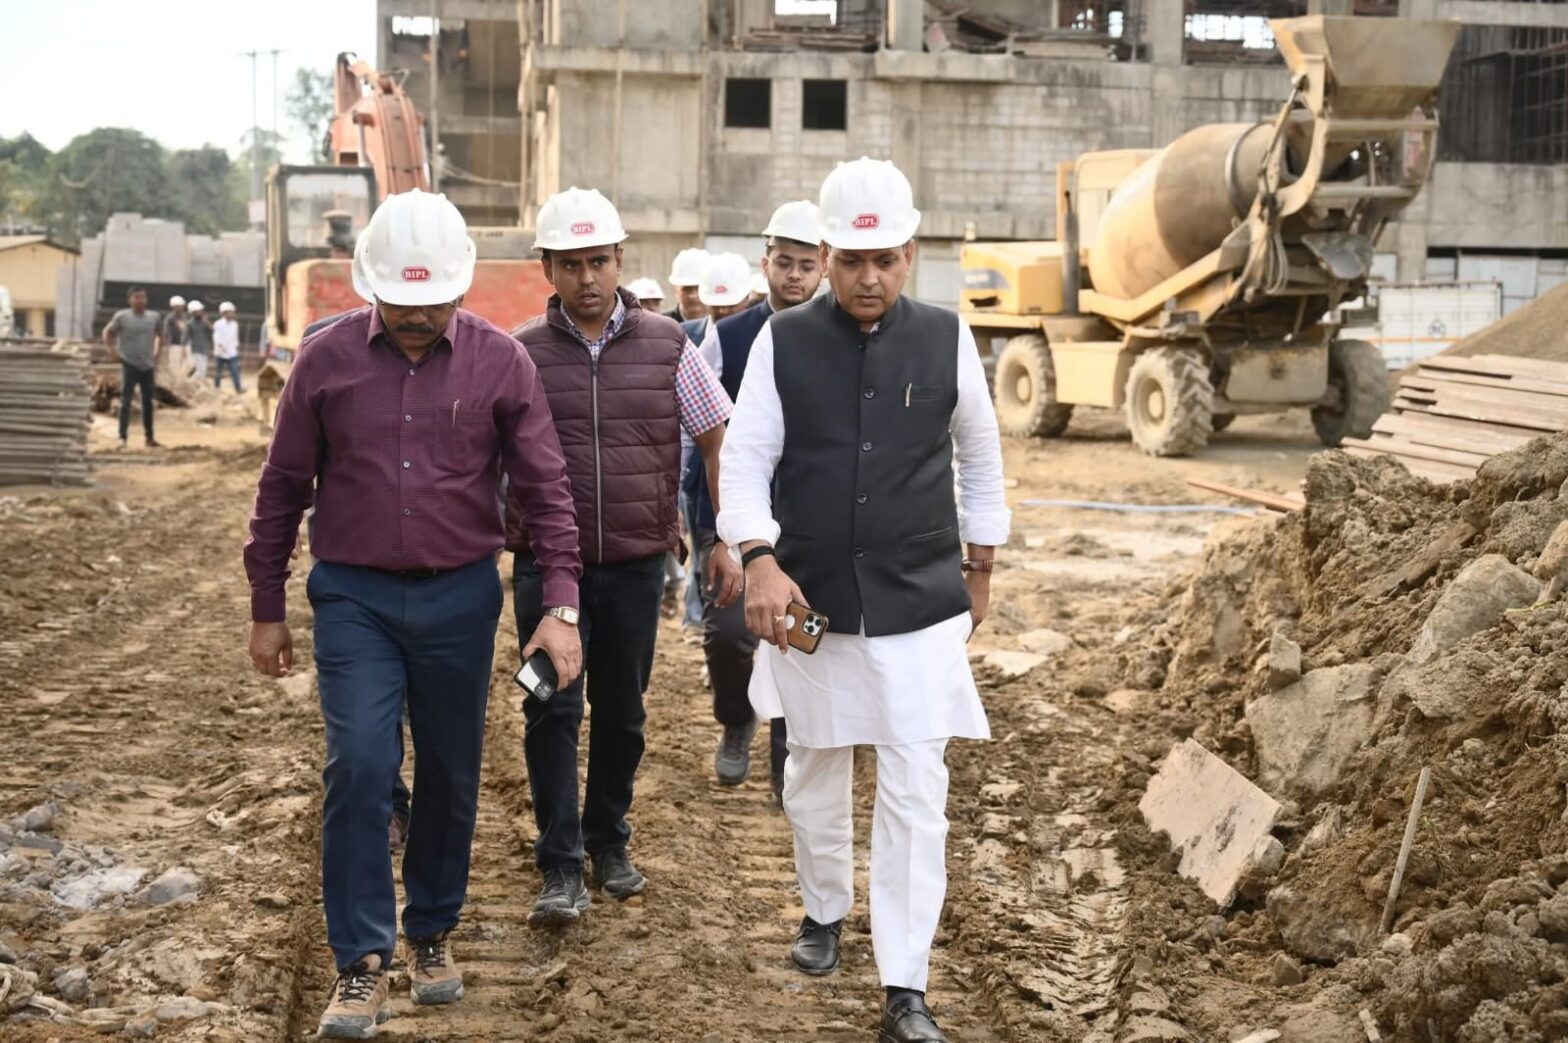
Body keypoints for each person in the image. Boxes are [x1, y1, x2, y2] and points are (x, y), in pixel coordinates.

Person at [243, 189, 584, 1040]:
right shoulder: (324, 362)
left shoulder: (502, 364)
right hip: (353, 596)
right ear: (372, 286)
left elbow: (546, 490)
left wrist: (562, 606)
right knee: (360, 763)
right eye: (401, 301)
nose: (417, 316)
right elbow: (282, 486)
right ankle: (361, 960)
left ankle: (430, 929)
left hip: (459, 595)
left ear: (461, 286)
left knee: (450, 768)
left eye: (432, 301)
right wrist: (266, 605)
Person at [717, 158, 1009, 1043]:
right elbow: (745, 460)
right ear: (828, 255)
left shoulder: (947, 337)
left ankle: (904, 985)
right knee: (814, 766)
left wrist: (981, 563)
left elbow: (980, 452)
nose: (870, 277)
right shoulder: (784, 341)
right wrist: (759, 558)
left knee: (917, 788)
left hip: (921, 600)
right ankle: (824, 907)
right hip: (811, 602)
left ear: (910, 253)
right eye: (852, 260)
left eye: (886, 259)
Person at [505, 186, 741, 928]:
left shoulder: (668, 346)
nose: (587, 278)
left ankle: (608, 840)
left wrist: (723, 536)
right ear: (548, 268)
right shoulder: (520, 353)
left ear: (619, 260)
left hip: (638, 565)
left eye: (599, 261)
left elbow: (718, 441)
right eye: (571, 264)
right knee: (550, 708)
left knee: (623, 714)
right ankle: (559, 860)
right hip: (547, 566)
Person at [687, 200, 822, 800]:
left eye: (806, 266)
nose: (794, 276)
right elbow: (706, 436)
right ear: (764, 262)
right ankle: (737, 719)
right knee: (728, 633)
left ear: (824, 267)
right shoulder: (731, 335)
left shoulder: (837, 338)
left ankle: (786, 764)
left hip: (806, 517)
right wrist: (716, 529)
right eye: (783, 262)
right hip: (734, 516)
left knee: (802, 634)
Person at [676, 251, 754, 629]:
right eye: (716, 305)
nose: (722, 312)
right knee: (705, 548)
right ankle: (699, 616)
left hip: (745, 467)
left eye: (730, 305)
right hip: (700, 473)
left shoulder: (758, 336)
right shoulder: (687, 337)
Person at [103, 286, 163, 450]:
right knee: (125, 402)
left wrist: (157, 353)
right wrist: (112, 351)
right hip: (129, 364)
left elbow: (161, 335)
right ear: (130, 300)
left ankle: (149, 438)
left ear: (146, 299)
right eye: (136, 297)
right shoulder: (122, 317)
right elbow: (107, 333)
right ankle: (122, 438)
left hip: (148, 365)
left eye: (142, 297)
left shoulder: (154, 317)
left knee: (148, 402)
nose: (140, 300)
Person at [666, 247, 709, 322]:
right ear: (676, 290)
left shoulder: (723, 326)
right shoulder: (662, 325)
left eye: (699, 288)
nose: (693, 296)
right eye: (687, 289)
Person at [213, 302, 244, 392]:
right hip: (221, 352)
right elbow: (216, 338)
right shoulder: (218, 324)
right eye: (229, 312)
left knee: (235, 371)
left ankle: (238, 388)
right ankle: (216, 388)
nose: (231, 314)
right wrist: (221, 346)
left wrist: (236, 346)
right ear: (224, 313)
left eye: (232, 312)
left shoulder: (235, 324)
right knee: (218, 372)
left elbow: (235, 337)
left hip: (232, 352)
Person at [185, 301, 213, 381]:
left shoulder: (205, 322)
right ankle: (189, 382)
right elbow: (186, 337)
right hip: (195, 350)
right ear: (193, 312)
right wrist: (184, 349)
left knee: (203, 371)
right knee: (200, 371)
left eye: (200, 310)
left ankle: (193, 383)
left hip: (204, 349)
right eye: (198, 311)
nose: (200, 312)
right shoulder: (190, 323)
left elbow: (212, 332)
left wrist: (207, 323)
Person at [162, 295, 189, 377]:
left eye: (182, 306)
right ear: (173, 306)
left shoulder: (184, 317)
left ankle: (183, 381)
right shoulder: (170, 318)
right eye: (179, 306)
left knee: (186, 366)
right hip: (174, 345)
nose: (181, 308)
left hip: (184, 345)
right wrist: (165, 346)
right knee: (174, 367)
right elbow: (166, 332)